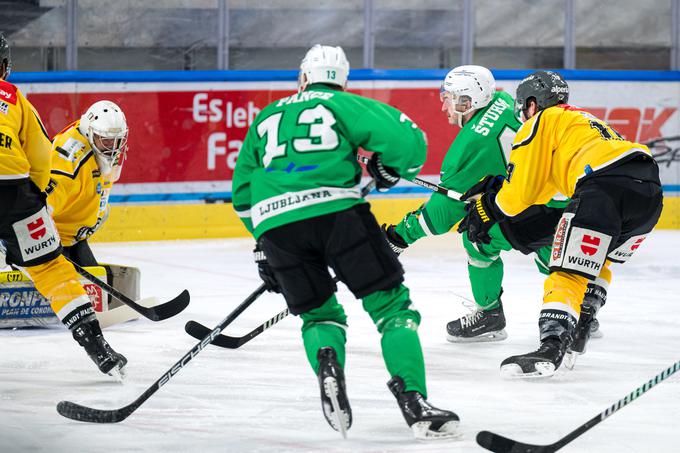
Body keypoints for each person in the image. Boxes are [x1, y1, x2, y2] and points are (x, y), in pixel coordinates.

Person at [232, 44, 459, 439]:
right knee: (391, 309)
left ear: (302, 77)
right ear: (343, 79)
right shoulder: (344, 104)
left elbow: (242, 192)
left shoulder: (267, 115)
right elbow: (412, 143)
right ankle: (415, 401)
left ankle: (328, 367)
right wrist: (388, 170)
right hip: (337, 214)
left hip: (276, 226)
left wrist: (262, 245)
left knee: (319, 316)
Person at [457, 70, 663, 378]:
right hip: (649, 194)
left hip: (603, 187)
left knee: (567, 269)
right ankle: (585, 315)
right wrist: (500, 186)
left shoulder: (541, 121)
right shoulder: (581, 122)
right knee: (596, 260)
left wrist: (488, 206)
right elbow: (547, 189)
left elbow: (520, 196)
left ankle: (551, 346)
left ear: (531, 103)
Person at [382, 65, 572, 343]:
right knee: (549, 249)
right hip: (567, 197)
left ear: (467, 101)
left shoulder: (471, 145)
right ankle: (576, 310)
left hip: (539, 205)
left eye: (449, 97)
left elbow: (441, 215)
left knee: (477, 236)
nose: (444, 104)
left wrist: (398, 236)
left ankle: (489, 314)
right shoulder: (505, 100)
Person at [0, 32, 126, 377]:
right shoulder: (14, 99)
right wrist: (30, 208)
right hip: (13, 191)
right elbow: (40, 157)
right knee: (51, 268)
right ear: (5, 67)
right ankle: (97, 346)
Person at [47, 100, 128, 267]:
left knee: (95, 284)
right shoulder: (69, 162)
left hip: (74, 239)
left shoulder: (101, 147)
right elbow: (41, 207)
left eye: (116, 140)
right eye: (106, 141)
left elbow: (103, 185)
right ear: (90, 133)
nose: (112, 148)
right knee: (71, 289)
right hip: (51, 241)